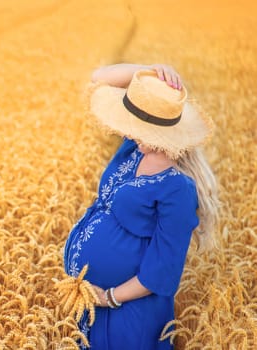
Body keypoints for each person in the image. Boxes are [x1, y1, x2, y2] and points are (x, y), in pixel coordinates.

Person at [63, 63, 220, 349]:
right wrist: (149, 70)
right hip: (91, 306)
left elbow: (162, 271)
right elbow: (98, 77)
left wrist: (109, 297)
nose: (131, 130)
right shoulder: (134, 148)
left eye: (139, 127)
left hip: (129, 317)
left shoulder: (178, 190)